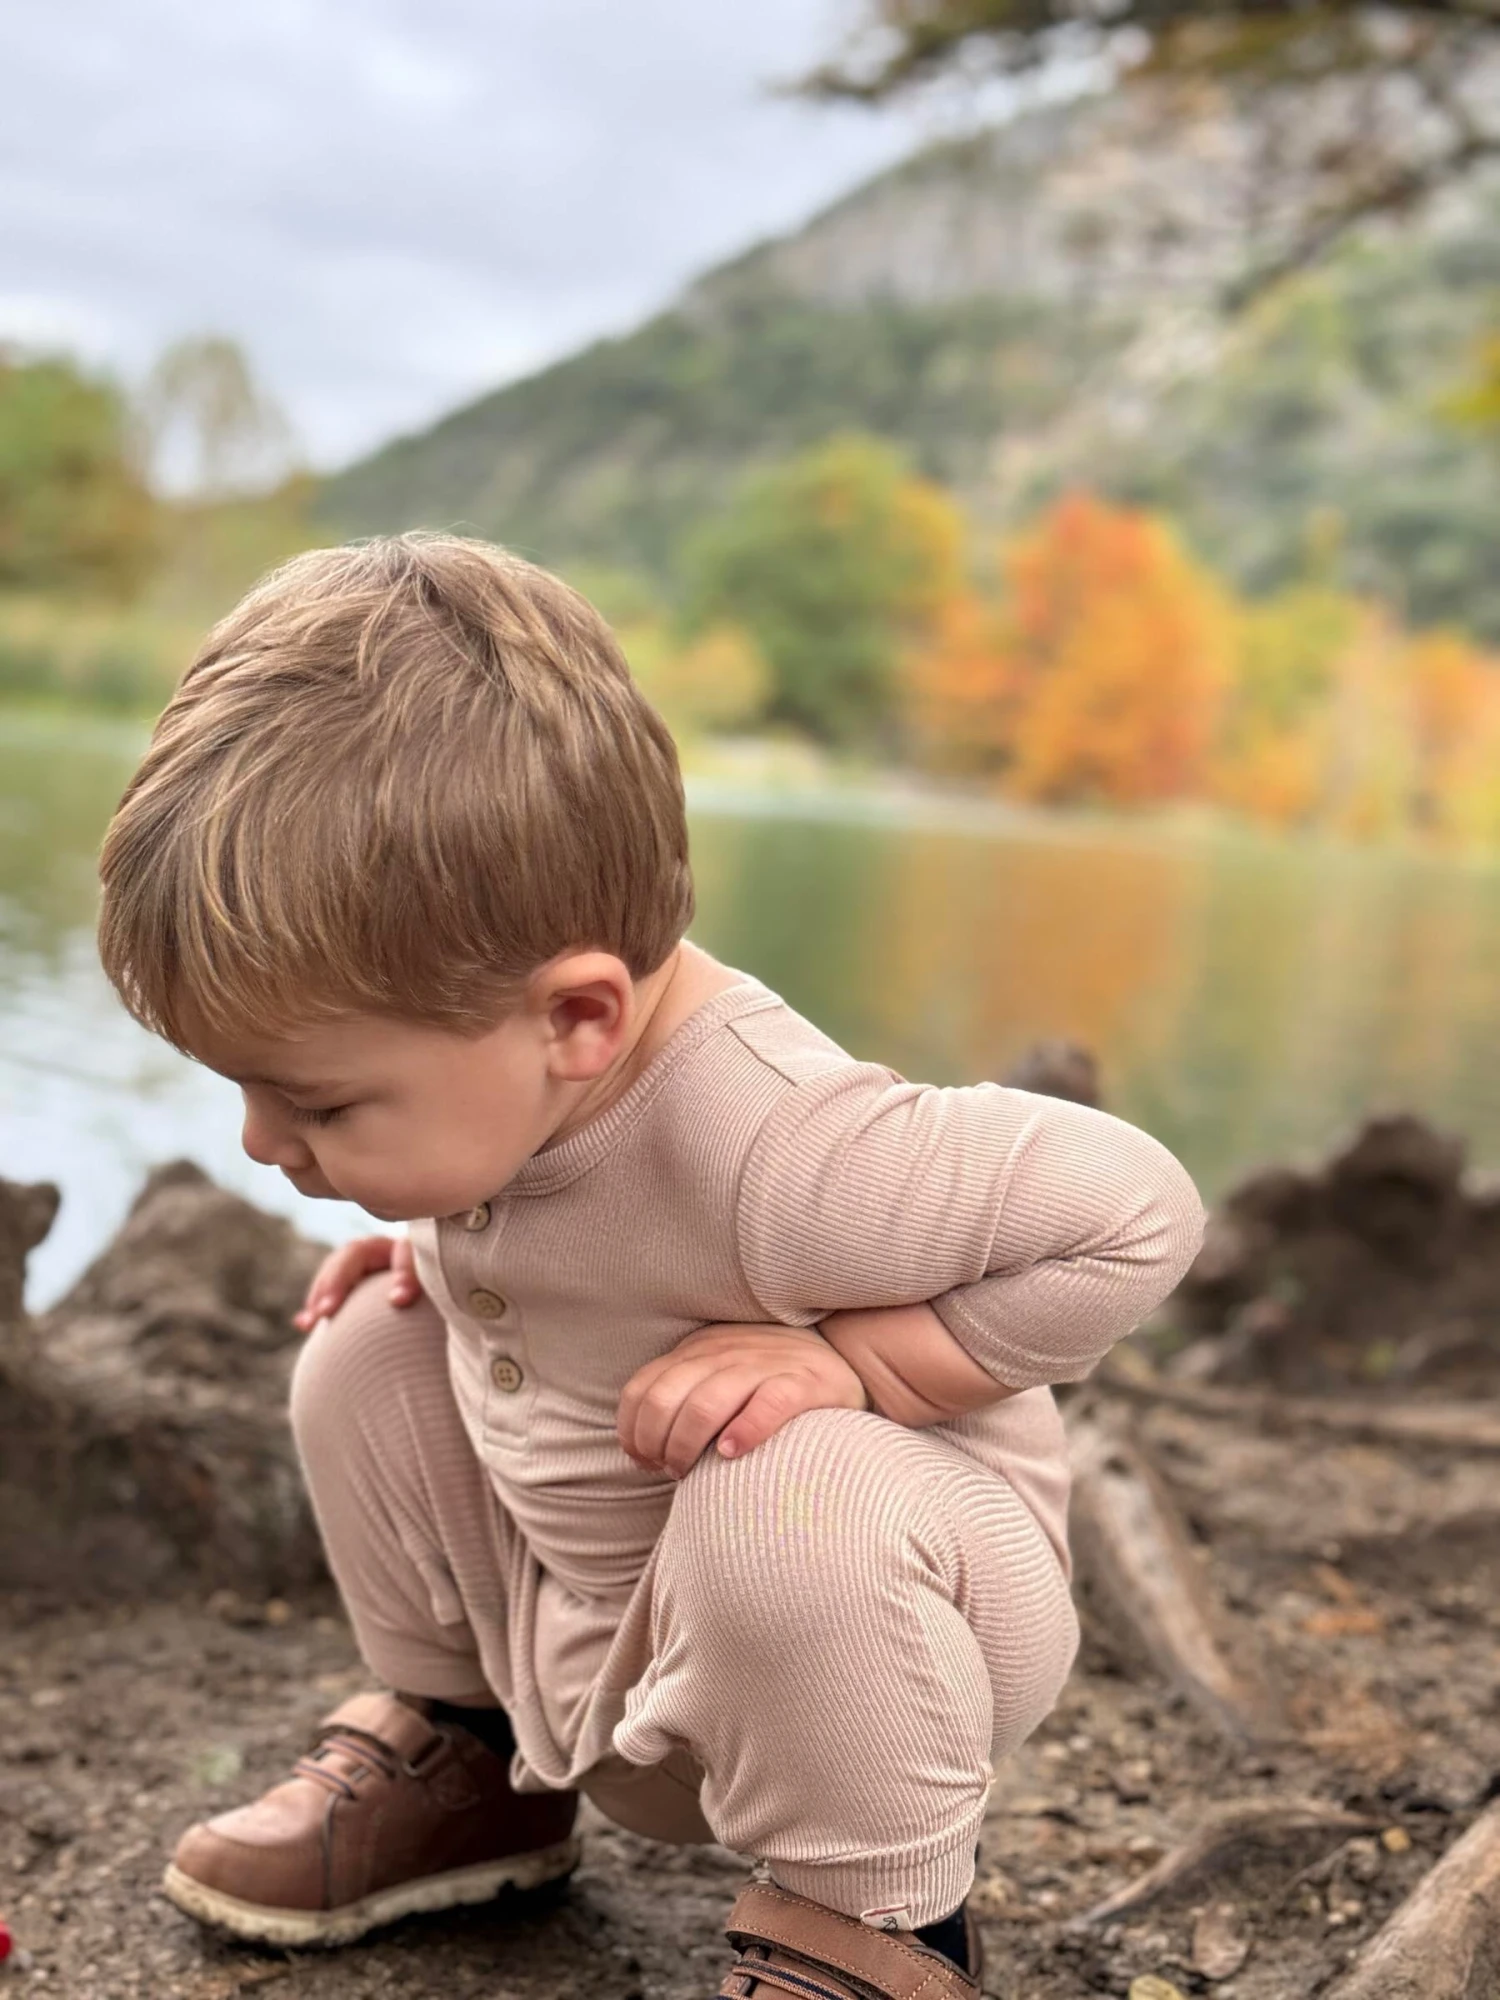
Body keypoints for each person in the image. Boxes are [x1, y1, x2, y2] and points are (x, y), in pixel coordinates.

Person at [97, 534, 1205, 2000]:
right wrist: (426, 1221)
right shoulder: (522, 1062)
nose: (259, 1144)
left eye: (321, 1105)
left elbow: (1141, 1210)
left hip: (877, 1644)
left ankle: (879, 1926)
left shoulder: (789, 1152)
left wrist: (852, 1367)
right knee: (364, 1346)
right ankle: (474, 1758)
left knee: (790, 1488)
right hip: (603, 1619)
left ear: (579, 1019)